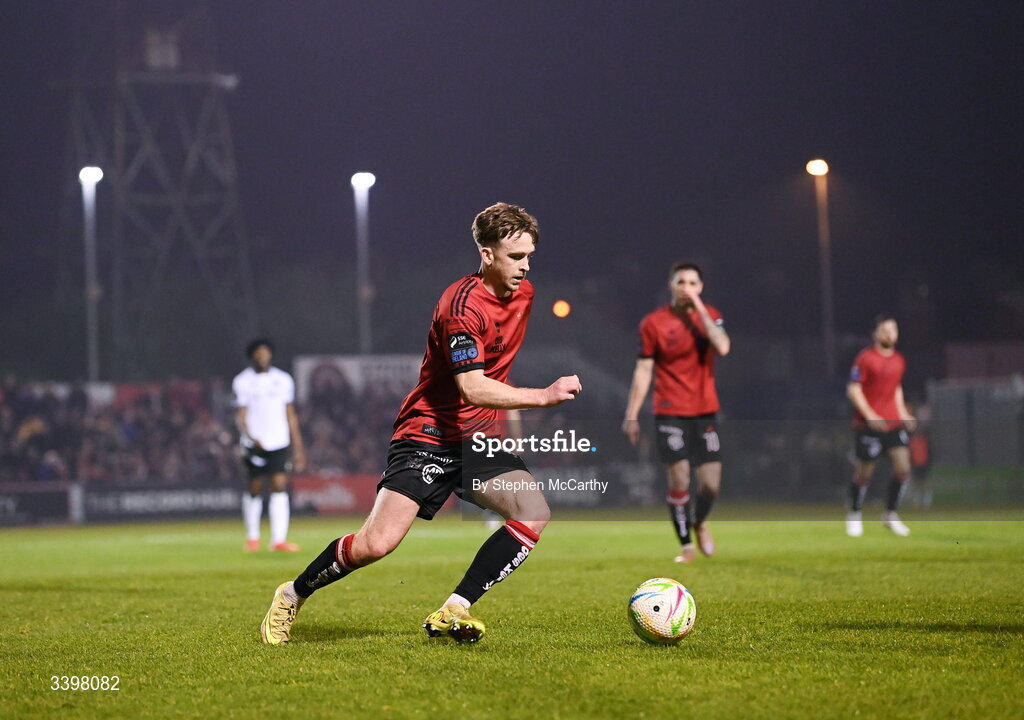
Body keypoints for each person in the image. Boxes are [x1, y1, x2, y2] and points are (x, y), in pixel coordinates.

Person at [260, 202, 581, 645]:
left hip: (474, 439)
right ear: (487, 254)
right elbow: (470, 386)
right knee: (375, 545)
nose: (525, 267)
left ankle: (455, 607)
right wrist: (543, 396)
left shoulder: (524, 295)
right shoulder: (461, 306)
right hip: (427, 435)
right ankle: (292, 594)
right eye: (515, 256)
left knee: (533, 513)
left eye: (529, 256)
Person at [622, 261, 730, 563]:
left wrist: (699, 308)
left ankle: (699, 522)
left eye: (693, 283)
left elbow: (722, 347)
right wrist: (631, 413)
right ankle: (685, 545)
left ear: (701, 288)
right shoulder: (653, 323)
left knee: (710, 484)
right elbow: (644, 370)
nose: (686, 288)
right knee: (680, 477)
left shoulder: (712, 318)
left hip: (705, 411)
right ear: (671, 285)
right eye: (681, 282)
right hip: (669, 411)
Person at [845, 314, 916, 537]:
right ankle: (855, 514)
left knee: (903, 468)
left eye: (893, 329)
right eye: (885, 330)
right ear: (875, 334)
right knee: (864, 474)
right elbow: (854, 389)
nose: (890, 334)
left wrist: (903, 412)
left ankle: (890, 514)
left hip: (893, 424)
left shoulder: (899, 360)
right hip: (869, 426)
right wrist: (870, 415)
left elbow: (895, 388)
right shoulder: (866, 358)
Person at [232, 339, 307, 552]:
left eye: (265, 353)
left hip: (279, 441)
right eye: (258, 353)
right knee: (254, 488)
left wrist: (298, 447)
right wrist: (248, 436)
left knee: (279, 486)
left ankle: (278, 539)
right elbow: (241, 415)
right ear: (252, 356)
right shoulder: (243, 381)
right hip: (254, 442)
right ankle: (253, 537)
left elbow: (290, 414)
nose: (262, 357)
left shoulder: (283, 380)